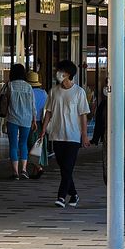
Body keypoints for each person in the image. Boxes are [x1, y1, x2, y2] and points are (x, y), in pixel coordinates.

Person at [42, 60, 90, 208]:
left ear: (68, 74)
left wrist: (84, 135)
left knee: (68, 167)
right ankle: (74, 194)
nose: (58, 73)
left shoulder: (79, 92)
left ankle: (61, 197)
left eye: (61, 71)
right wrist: (43, 129)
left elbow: (83, 115)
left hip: (73, 136)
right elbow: (48, 112)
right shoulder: (53, 91)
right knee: (64, 168)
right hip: (56, 134)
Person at [2, 65, 38, 180]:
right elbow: (33, 105)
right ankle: (24, 170)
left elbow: (4, 103)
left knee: (13, 145)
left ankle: (15, 172)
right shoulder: (28, 87)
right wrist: (34, 119)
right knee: (23, 144)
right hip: (26, 119)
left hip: (12, 118)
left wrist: (2, 120)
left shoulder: (10, 85)